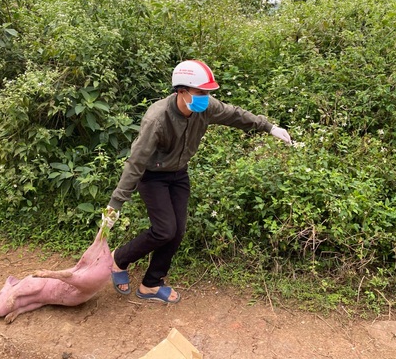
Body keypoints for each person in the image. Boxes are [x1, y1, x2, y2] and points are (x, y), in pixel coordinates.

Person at [101, 60, 292, 303]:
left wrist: (269, 127)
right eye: (201, 92)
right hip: (152, 177)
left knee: (177, 231)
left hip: (178, 174)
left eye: (208, 93)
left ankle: (151, 284)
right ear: (182, 91)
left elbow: (235, 115)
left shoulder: (206, 107)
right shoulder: (157, 119)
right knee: (164, 230)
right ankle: (118, 260)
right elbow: (136, 162)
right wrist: (116, 203)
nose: (206, 97)